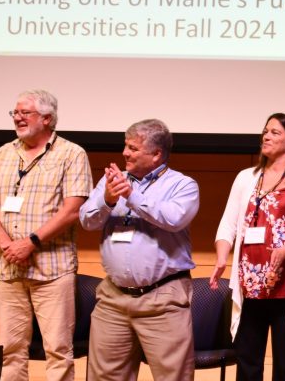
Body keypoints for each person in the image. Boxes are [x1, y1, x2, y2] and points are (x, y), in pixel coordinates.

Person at [0, 90, 92, 381]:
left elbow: (72, 210)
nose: (17, 117)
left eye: (24, 112)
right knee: (10, 351)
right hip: (9, 269)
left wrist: (30, 243)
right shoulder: (3, 153)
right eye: (14, 112)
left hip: (52, 271)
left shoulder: (71, 153)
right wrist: (8, 245)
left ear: (47, 118)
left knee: (58, 351)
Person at [79, 119, 198, 380]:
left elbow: (173, 219)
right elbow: (87, 220)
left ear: (156, 155)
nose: (125, 153)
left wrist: (131, 196)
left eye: (133, 148)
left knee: (173, 377)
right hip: (113, 299)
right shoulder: (111, 182)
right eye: (125, 146)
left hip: (162, 299)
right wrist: (108, 200)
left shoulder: (182, 185)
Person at [212, 113, 285, 381]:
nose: (266, 136)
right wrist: (221, 258)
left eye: (275, 132)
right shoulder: (246, 177)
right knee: (248, 360)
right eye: (265, 131)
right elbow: (228, 224)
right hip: (249, 283)